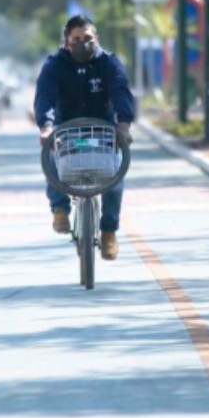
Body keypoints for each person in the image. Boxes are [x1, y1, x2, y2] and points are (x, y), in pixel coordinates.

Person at [35, 15, 135, 261]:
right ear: (67, 42)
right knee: (50, 152)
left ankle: (109, 230)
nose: (83, 43)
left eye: (88, 38)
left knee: (116, 169)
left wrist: (124, 126)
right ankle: (59, 207)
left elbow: (122, 93)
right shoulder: (54, 65)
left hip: (101, 129)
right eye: (77, 39)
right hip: (66, 128)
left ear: (96, 38)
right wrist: (46, 127)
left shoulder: (110, 63)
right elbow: (45, 97)